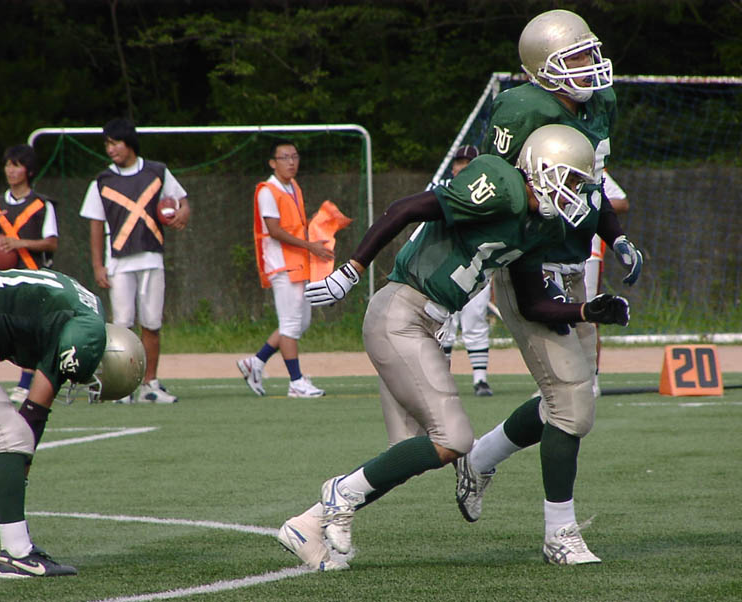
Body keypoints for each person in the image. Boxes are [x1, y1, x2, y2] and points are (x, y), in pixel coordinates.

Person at [275, 124, 631, 571]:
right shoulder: (499, 184)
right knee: (454, 439)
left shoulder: (538, 225)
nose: (576, 191)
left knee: (409, 452)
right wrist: (352, 269)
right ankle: (339, 493)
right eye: (571, 179)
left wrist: (585, 311)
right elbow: (406, 208)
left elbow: (533, 303)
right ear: (541, 168)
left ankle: (306, 525)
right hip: (401, 314)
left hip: (427, 326)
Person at [454, 8, 644, 565]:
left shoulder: (600, 103)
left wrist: (616, 237)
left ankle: (479, 458)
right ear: (542, 67)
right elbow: (498, 191)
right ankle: (559, 534)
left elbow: (590, 187)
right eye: (576, 57)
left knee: (569, 398)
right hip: (531, 265)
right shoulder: (522, 108)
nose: (590, 65)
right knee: (572, 407)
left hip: (575, 262)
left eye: (590, 53)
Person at [0, 268, 106, 577]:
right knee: (13, 434)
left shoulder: (67, 297)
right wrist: (18, 477)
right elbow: (34, 412)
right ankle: (17, 554)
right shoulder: (82, 325)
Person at [79, 117, 190, 404]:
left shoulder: (157, 172)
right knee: (122, 327)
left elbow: (182, 201)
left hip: (152, 258)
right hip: (119, 262)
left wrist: (182, 213)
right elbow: (95, 224)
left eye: (115, 143)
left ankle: (150, 385)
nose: (110, 149)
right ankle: (122, 387)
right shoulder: (102, 181)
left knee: (152, 324)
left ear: (129, 143)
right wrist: (97, 266)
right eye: (107, 144)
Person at [237, 139, 334, 398]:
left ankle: (256, 362)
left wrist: (319, 226)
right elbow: (275, 231)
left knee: (300, 323)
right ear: (273, 163)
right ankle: (296, 381)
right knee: (290, 324)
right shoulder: (268, 190)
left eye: (294, 156)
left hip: (298, 263)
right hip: (282, 264)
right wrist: (310, 245)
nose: (291, 162)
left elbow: (294, 226)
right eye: (285, 157)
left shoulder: (292, 187)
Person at [0, 144, 58, 405]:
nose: (10, 170)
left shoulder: (42, 205)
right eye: (8, 165)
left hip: (30, 276)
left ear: (29, 171)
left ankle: (25, 384)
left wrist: (20, 244)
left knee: (28, 329)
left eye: (17, 165)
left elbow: (51, 243)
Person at [436, 145, 494, 396]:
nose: (462, 167)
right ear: (452, 168)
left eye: (468, 163)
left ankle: (480, 379)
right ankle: (442, 378)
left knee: (475, 318)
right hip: (445, 265)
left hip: (476, 264)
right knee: (442, 321)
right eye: (459, 162)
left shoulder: (490, 192)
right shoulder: (440, 191)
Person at [584, 170, 630, 396]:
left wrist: (589, 203)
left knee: (588, 315)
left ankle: (592, 378)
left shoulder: (593, 168)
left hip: (588, 253)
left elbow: (621, 202)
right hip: (553, 252)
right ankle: (555, 382)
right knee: (556, 315)